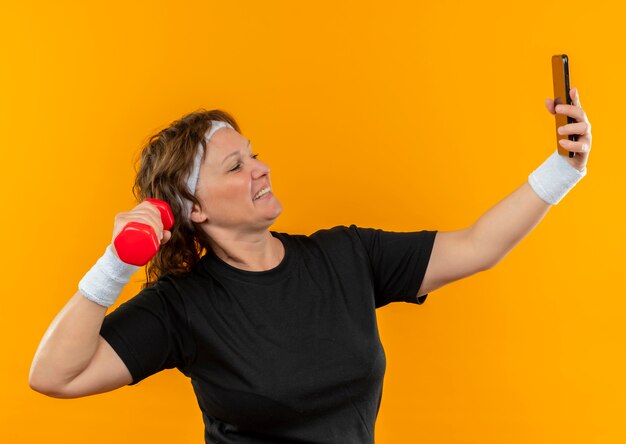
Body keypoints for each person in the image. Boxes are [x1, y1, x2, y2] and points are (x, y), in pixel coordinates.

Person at [29, 88, 592, 443]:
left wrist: (565, 168)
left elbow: (477, 245)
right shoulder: (182, 307)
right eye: (236, 166)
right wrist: (115, 263)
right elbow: (53, 376)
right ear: (192, 208)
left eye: (254, 153)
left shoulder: (345, 255)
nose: (262, 168)